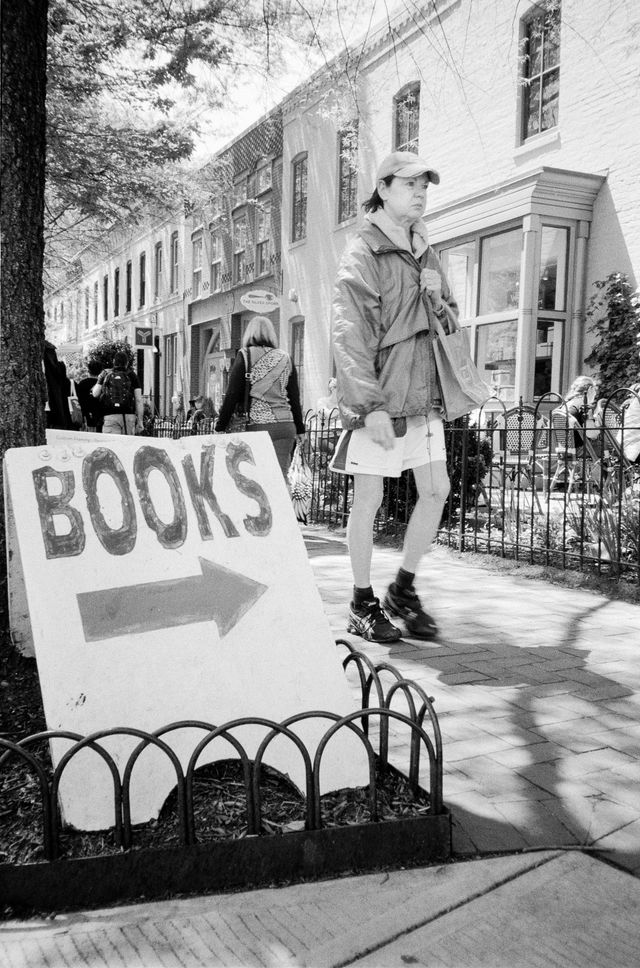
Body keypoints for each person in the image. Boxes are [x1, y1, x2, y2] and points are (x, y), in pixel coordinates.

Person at [330, 150, 457, 643]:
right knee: (369, 498)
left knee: (436, 490)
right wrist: (369, 405)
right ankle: (361, 603)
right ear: (383, 189)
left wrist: (436, 296)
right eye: (410, 185)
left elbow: (448, 323)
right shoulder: (363, 250)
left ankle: (401, 590)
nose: (421, 194)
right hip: (383, 397)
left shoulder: (425, 250)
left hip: (424, 395)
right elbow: (349, 332)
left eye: (425, 186)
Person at [215, 315, 305, 476]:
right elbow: (294, 397)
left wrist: (220, 426)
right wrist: (300, 428)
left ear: (249, 334)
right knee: (280, 476)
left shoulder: (245, 355)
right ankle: (284, 501)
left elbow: (232, 394)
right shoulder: (286, 357)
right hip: (286, 425)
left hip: (259, 425)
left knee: (258, 478)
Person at [92, 350, 144, 435]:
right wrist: (140, 422)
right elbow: (138, 400)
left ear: (113, 361)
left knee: (111, 445)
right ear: (127, 363)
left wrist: (99, 381)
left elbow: (95, 394)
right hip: (128, 416)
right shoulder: (132, 375)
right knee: (127, 446)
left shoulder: (105, 373)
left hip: (110, 415)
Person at [75, 359, 104, 432]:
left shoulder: (82, 383)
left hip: (86, 419)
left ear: (88, 370)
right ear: (101, 371)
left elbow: (79, 401)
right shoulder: (103, 384)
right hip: (101, 419)